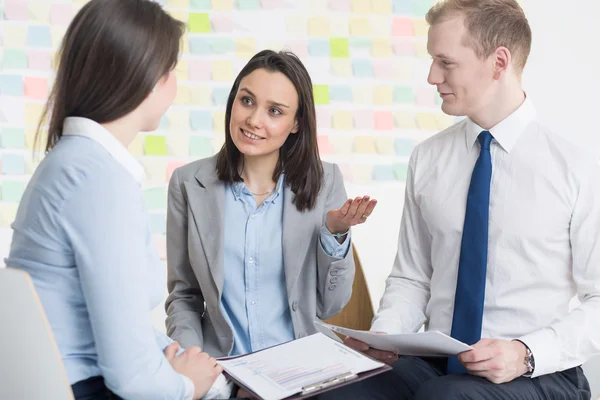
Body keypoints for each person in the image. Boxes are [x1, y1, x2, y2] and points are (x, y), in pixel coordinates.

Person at [320, 0, 597, 399]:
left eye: (445, 62)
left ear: (498, 62)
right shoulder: (429, 158)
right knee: (338, 392)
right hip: (438, 364)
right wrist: (383, 335)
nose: (432, 76)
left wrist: (526, 353)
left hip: (537, 372)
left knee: (449, 397)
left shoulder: (576, 169)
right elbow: (412, 277)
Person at [5, 0, 224, 398]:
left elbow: (123, 334)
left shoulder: (72, 163)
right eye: (171, 69)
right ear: (147, 77)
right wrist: (193, 386)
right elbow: (133, 378)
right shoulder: (97, 178)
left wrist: (187, 369)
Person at [165, 50, 377, 362]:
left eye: (275, 111)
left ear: (295, 124)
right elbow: (184, 296)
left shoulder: (325, 181)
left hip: (300, 369)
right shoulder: (188, 184)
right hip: (224, 371)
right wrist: (193, 361)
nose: (253, 120)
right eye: (247, 101)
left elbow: (331, 305)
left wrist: (335, 233)